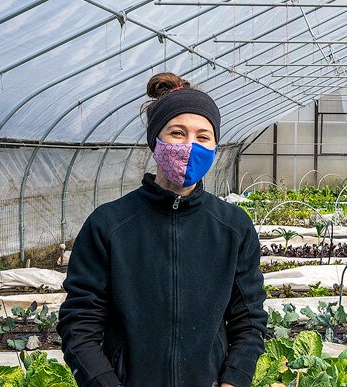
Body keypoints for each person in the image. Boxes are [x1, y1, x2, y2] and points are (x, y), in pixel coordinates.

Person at [59, 73, 267, 387]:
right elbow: (79, 324)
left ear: (214, 146)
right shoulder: (109, 225)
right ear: (156, 140)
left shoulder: (233, 228)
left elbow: (249, 320)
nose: (189, 146)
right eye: (177, 133)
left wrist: (233, 380)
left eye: (203, 137)